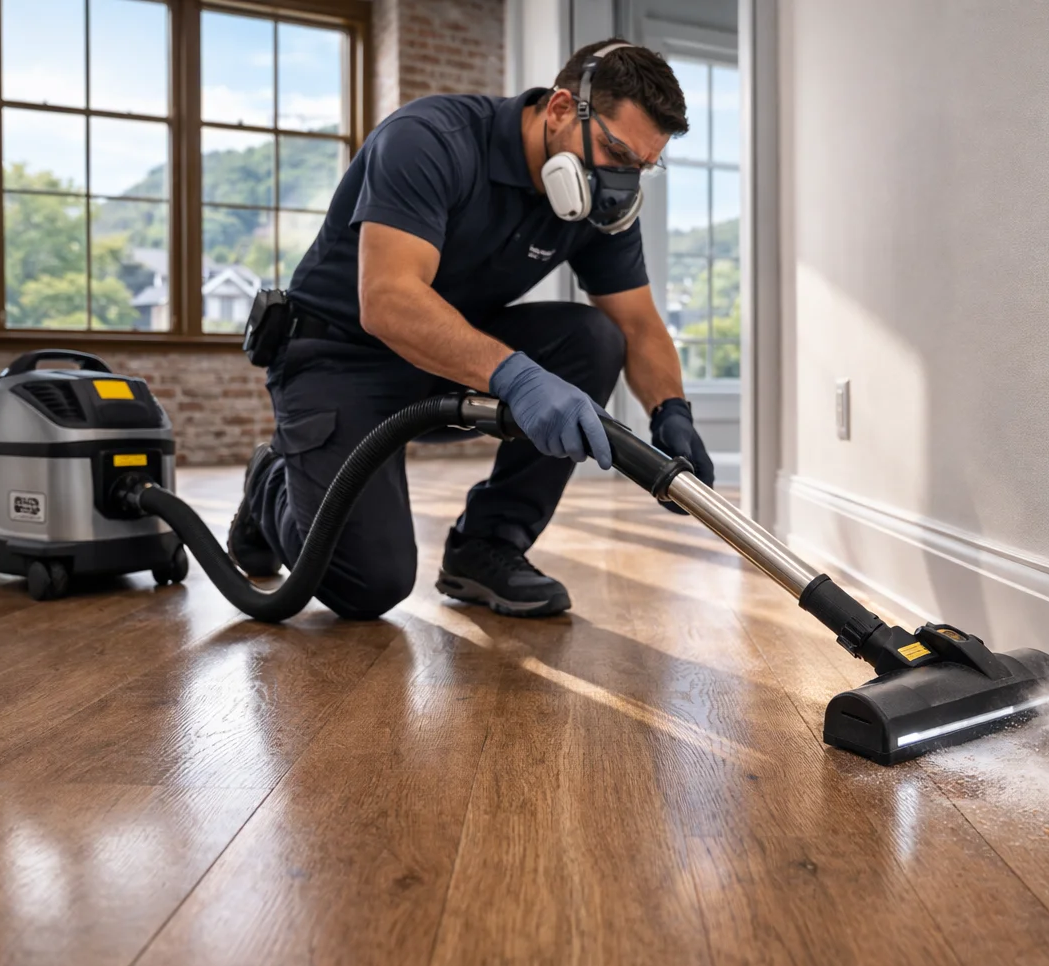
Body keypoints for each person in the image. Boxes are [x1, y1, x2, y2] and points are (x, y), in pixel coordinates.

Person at [228, 39, 715, 619]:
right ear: (562, 109)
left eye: (641, 166)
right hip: (337, 360)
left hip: (442, 364)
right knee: (369, 585)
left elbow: (636, 322)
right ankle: (271, 485)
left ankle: (487, 545)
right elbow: (387, 300)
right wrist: (518, 378)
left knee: (593, 338)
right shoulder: (431, 140)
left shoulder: (595, 208)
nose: (622, 179)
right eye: (614, 151)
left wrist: (672, 412)